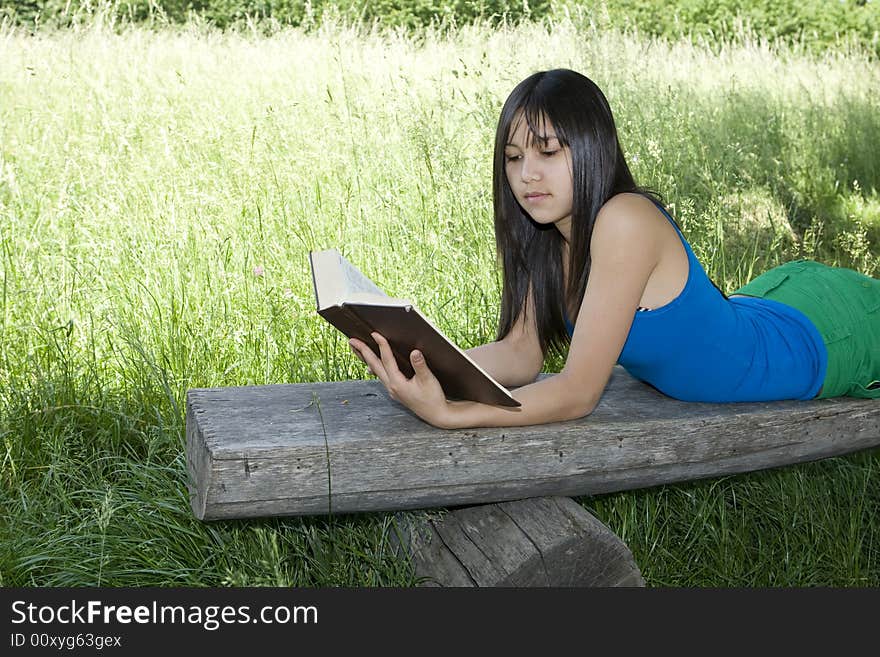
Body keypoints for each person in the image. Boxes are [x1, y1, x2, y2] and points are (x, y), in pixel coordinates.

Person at [349, 68, 880, 429]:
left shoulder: (624, 221)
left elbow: (578, 393)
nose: (526, 174)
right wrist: (425, 364)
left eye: (548, 151)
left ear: (592, 147)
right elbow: (520, 354)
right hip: (761, 305)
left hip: (824, 338)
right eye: (512, 158)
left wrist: (452, 414)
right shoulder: (547, 236)